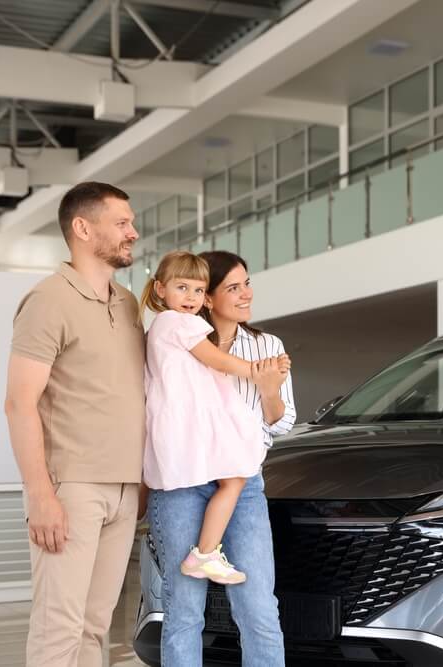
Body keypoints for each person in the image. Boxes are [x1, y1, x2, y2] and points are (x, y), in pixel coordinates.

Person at [5, 182, 145, 666]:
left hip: (125, 486)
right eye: (122, 222)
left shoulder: (127, 304)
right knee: (58, 627)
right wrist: (41, 495)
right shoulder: (47, 301)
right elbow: (19, 405)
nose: (134, 231)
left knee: (94, 627)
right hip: (72, 486)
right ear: (83, 228)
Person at [147, 250, 294, 666]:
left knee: (258, 607)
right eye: (233, 286)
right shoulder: (180, 333)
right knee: (184, 609)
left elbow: (281, 422)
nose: (246, 293)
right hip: (181, 482)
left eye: (247, 283)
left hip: (242, 483)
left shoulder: (267, 345)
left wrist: (268, 386)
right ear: (209, 299)